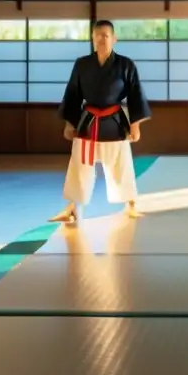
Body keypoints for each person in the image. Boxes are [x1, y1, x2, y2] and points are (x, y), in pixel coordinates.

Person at [49, 20, 151, 224]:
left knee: (121, 164)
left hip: (115, 122)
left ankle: (130, 204)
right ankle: (72, 208)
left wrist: (135, 124)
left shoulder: (126, 64)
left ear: (114, 39)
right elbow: (73, 94)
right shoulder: (82, 64)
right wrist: (69, 123)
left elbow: (135, 95)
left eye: (106, 35)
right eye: (98, 35)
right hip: (88, 122)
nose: (102, 39)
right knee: (79, 165)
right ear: (92, 39)